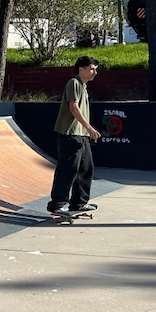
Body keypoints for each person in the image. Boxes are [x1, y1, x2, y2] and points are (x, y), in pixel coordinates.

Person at [48, 55, 101, 215]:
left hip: (82, 135)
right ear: (81, 69)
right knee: (68, 170)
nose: (94, 73)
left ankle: (79, 203)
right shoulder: (74, 83)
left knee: (86, 168)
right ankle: (58, 204)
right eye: (91, 69)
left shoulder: (83, 86)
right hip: (70, 134)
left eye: (95, 70)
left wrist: (86, 131)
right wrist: (89, 127)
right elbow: (73, 108)